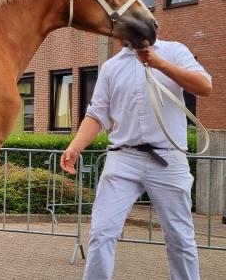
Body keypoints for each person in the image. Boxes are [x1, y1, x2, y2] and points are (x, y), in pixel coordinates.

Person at [60, 39, 212, 280]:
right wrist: (75, 147)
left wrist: (159, 63)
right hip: (123, 157)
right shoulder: (111, 67)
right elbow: (97, 112)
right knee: (101, 232)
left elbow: (204, 86)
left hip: (169, 158)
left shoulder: (175, 51)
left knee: (180, 237)